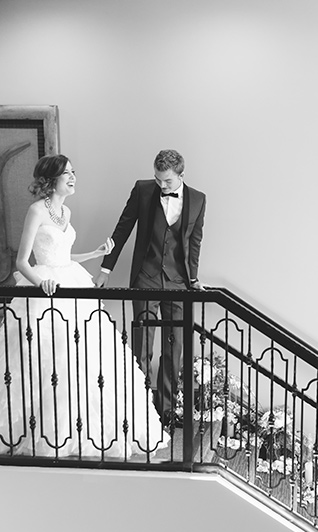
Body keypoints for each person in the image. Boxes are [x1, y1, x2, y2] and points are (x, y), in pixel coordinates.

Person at [0, 154, 169, 458]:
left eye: (73, 172)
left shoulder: (65, 211)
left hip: (70, 280)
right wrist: (41, 284)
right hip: (46, 289)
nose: (73, 177)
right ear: (51, 180)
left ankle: (84, 430)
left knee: (86, 358)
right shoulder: (36, 211)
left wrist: (94, 253)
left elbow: (64, 256)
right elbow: (22, 261)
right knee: (48, 360)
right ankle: (44, 432)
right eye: (67, 173)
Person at [95, 149, 206, 427]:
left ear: (181, 175)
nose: (161, 186)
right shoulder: (143, 190)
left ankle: (167, 411)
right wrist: (105, 269)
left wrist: (193, 278)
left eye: (167, 181)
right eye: (158, 180)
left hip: (178, 283)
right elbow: (122, 229)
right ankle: (139, 409)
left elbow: (194, 244)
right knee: (142, 345)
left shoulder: (199, 200)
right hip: (146, 277)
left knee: (175, 347)